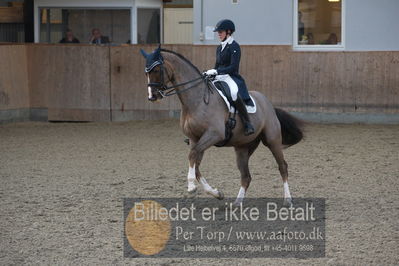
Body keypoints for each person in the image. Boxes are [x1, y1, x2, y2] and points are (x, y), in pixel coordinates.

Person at [204, 19, 254, 136]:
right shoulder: (219, 47)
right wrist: (210, 72)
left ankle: (247, 123)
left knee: (234, 94)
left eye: (220, 32)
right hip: (220, 76)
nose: (218, 34)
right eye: (218, 32)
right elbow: (217, 65)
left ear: (228, 32)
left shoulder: (234, 46)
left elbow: (233, 67)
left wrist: (217, 71)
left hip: (230, 76)